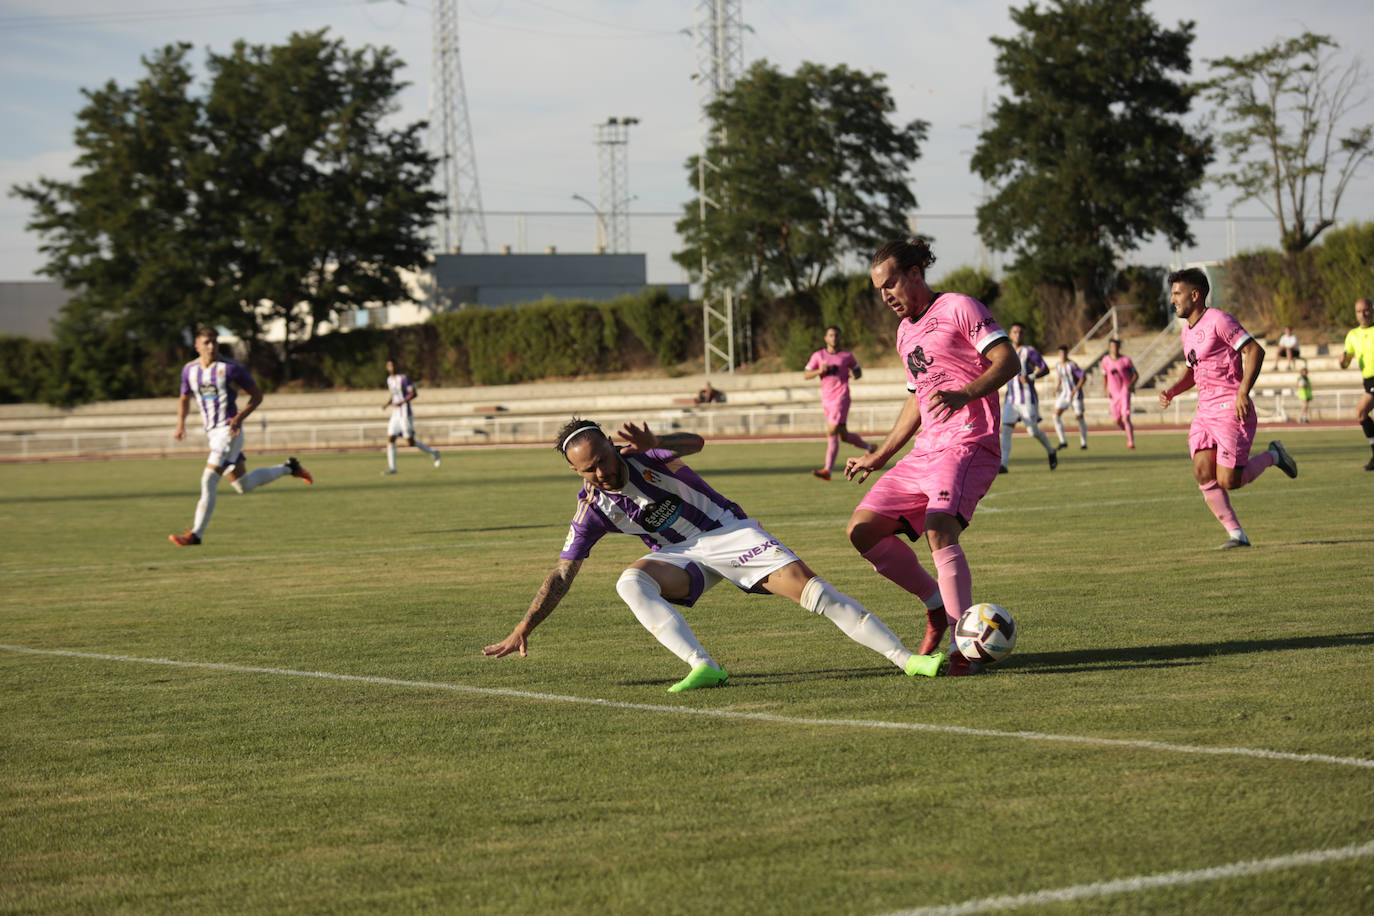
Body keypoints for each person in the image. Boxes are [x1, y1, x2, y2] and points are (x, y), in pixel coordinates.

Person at [481, 418, 946, 691]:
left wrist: (656, 440)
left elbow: (695, 444)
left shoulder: (646, 458)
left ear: (610, 445)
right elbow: (562, 575)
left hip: (731, 533)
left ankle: (907, 659)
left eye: (603, 458)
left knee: (816, 593)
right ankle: (703, 666)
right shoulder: (592, 508)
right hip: (681, 557)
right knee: (629, 582)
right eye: (588, 470)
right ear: (575, 471)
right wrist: (524, 627)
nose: (601, 472)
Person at [843, 239, 1020, 675]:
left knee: (940, 530)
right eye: (879, 289)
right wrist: (880, 454)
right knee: (862, 531)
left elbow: (1007, 360)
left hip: (968, 442)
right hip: (926, 450)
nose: (885, 296)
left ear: (915, 273)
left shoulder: (960, 307)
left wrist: (965, 393)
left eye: (890, 284)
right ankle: (935, 605)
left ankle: (965, 648)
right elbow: (916, 401)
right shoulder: (905, 333)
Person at [1157, 269, 1298, 549]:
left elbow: (1255, 351)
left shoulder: (1219, 320)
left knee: (1229, 481)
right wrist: (1172, 390)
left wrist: (1243, 392)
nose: (1172, 300)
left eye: (1177, 293)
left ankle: (1274, 455)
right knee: (1201, 471)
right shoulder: (1187, 332)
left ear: (1195, 295)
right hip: (1205, 412)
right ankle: (1236, 535)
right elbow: (1192, 373)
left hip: (1231, 410)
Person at [169, 327, 312, 546]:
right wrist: (181, 424)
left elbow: (257, 396)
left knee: (208, 480)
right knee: (242, 485)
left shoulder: (230, 369)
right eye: (207, 342)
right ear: (196, 345)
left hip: (229, 432)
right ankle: (289, 468)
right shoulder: (189, 370)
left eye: (214, 342)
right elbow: (184, 398)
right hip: (212, 434)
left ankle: (195, 534)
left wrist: (238, 418)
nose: (212, 346)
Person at [803, 325, 876, 480]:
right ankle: (870, 447)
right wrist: (819, 371)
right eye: (830, 335)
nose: (833, 338)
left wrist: (855, 375)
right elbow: (806, 374)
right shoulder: (818, 356)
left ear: (840, 337)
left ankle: (827, 470)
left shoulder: (846, 356)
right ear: (825, 338)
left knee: (831, 431)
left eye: (836, 335)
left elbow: (858, 371)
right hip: (827, 399)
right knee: (842, 435)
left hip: (841, 397)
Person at [999, 322, 1058, 472]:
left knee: (1032, 431)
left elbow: (1044, 369)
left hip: (1027, 398)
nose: (1018, 335)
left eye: (1020, 332)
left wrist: (1031, 377)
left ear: (1024, 335)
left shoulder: (1029, 351)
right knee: (1006, 430)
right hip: (1011, 399)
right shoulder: (1005, 350)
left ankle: (1051, 451)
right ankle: (1004, 464)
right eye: (1015, 332)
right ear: (1010, 334)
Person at [381, 359, 441, 475]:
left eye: (393, 365)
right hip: (396, 413)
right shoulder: (389, 380)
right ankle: (393, 468)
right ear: (387, 368)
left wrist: (402, 402)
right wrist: (387, 404)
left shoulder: (403, 378)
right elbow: (393, 395)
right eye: (389, 365)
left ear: (396, 366)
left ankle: (434, 453)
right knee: (390, 438)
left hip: (405, 413)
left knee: (410, 442)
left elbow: (414, 393)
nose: (391, 367)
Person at [1339, 297, 1374, 470]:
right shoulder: (1352, 335)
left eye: (1366, 310)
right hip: (1368, 380)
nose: (1363, 314)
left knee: (1362, 410)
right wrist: (1343, 361)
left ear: (1372, 310)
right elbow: (1345, 363)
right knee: (1361, 414)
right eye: (1359, 311)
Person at [1101, 338, 1139, 450]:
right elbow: (1104, 376)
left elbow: (1136, 375)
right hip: (1113, 393)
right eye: (1112, 346)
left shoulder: (1126, 360)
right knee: (1117, 420)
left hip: (1124, 391)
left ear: (1119, 347)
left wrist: (1130, 384)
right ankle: (1127, 431)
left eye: (1116, 346)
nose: (1114, 348)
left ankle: (1131, 442)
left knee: (1126, 417)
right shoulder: (1105, 361)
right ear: (1109, 347)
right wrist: (1105, 389)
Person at [1052, 345, 1088, 450]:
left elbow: (1083, 377)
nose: (1062, 355)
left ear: (1067, 354)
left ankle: (1083, 443)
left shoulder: (1072, 365)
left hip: (1076, 395)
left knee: (1079, 418)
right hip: (1064, 394)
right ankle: (1063, 441)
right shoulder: (1058, 365)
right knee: (1055, 415)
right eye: (1061, 353)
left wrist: (1075, 390)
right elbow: (1060, 378)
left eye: (1064, 353)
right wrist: (1057, 388)